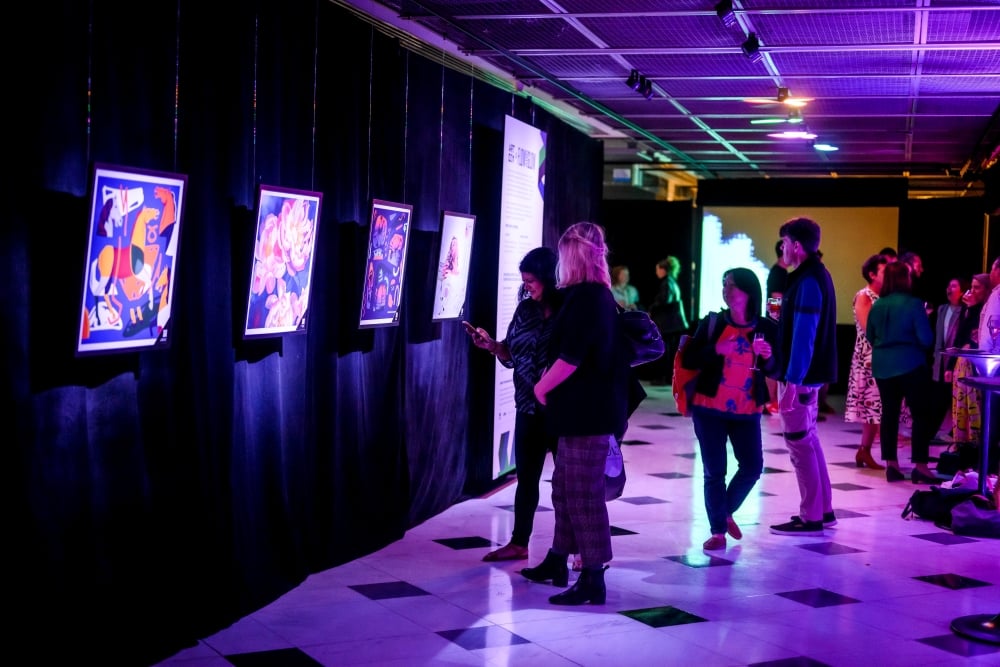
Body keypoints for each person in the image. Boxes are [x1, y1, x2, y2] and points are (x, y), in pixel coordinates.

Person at [522, 222, 633, 606]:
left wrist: (541, 387)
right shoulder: (586, 295)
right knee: (564, 490)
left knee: (584, 496)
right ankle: (557, 559)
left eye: (565, 252)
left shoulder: (590, 297)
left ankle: (593, 577)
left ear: (577, 254)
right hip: (578, 413)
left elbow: (572, 358)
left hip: (589, 413)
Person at [465, 247, 561, 562]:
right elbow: (511, 352)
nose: (528, 286)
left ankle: (569, 548)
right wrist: (492, 346)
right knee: (527, 479)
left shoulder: (568, 312)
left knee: (566, 485)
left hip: (562, 411)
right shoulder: (524, 311)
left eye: (532, 280)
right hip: (527, 408)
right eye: (525, 281)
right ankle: (519, 543)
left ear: (549, 278)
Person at [682, 268, 779, 550]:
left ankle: (724, 512)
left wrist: (769, 358)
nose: (727, 290)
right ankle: (717, 532)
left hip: (747, 410)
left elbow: (777, 369)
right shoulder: (712, 323)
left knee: (752, 466)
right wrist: (716, 349)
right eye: (725, 284)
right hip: (708, 408)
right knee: (715, 471)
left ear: (749, 292)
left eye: (733, 286)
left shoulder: (766, 328)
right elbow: (689, 359)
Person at [770, 217, 838, 536]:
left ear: (797, 245)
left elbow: (804, 337)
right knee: (808, 440)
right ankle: (823, 510)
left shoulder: (808, 280)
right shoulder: (816, 276)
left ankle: (811, 515)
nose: (782, 248)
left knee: (799, 444)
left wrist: (792, 383)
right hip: (810, 377)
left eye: (784, 242)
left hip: (802, 377)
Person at [865, 261, 937, 483]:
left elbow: (870, 336)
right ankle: (921, 466)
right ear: (906, 278)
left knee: (889, 414)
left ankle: (892, 465)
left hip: (882, 365)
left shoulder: (878, 304)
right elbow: (926, 339)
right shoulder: (914, 304)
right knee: (921, 414)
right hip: (909, 363)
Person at [844, 253, 888, 470]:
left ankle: (865, 450)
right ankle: (865, 450)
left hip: (881, 356)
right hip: (868, 358)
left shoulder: (885, 296)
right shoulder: (865, 296)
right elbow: (866, 327)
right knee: (871, 408)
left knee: (876, 409)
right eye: (883, 271)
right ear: (872, 274)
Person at [951, 273, 991, 444]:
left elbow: (976, 336)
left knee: (975, 407)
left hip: (977, 364)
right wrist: (949, 366)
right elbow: (960, 338)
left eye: (977, 287)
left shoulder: (986, 309)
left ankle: (975, 445)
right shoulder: (969, 309)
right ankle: (961, 444)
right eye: (971, 287)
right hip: (962, 362)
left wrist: (973, 309)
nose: (972, 291)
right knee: (961, 408)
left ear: (986, 289)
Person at [929, 276, 968, 441]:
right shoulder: (942, 309)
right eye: (948, 286)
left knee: (948, 396)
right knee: (937, 395)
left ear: (961, 291)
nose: (949, 289)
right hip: (939, 358)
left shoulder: (964, 311)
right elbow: (938, 335)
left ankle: (952, 432)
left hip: (953, 359)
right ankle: (931, 431)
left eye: (953, 286)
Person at [648, 256, 689, 385]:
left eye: (657, 269)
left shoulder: (667, 283)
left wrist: (651, 309)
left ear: (663, 270)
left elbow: (664, 301)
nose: (656, 272)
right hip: (674, 323)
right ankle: (667, 377)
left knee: (665, 350)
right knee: (670, 350)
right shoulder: (672, 282)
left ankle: (662, 378)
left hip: (668, 324)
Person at [764, 240, 790, 413]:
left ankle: (772, 401)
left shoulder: (781, 272)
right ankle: (770, 401)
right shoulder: (778, 273)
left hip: (776, 325)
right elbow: (775, 299)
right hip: (776, 326)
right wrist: (777, 324)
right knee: (772, 363)